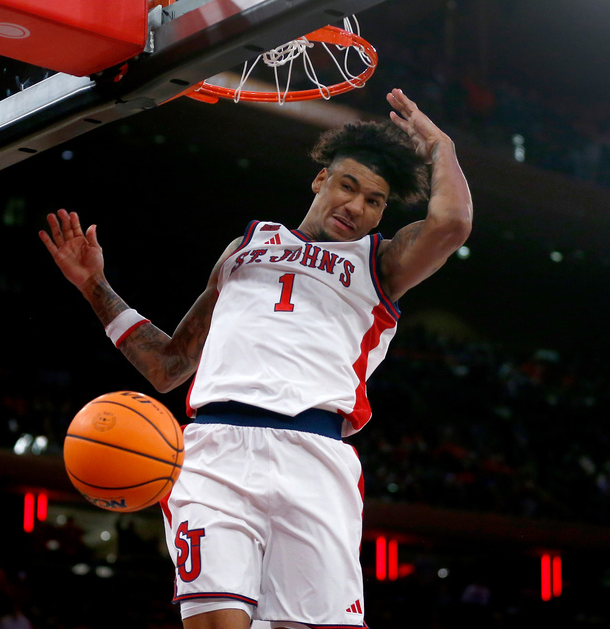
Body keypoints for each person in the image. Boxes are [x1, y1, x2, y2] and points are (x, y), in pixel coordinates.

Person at [40, 88, 472, 629]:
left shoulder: (381, 263)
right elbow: (169, 366)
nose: (356, 207)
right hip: (215, 452)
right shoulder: (244, 247)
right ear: (321, 180)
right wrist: (96, 288)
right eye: (348, 186)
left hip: (314, 457)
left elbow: (451, 225)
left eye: (374, 201)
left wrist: (442, 147)